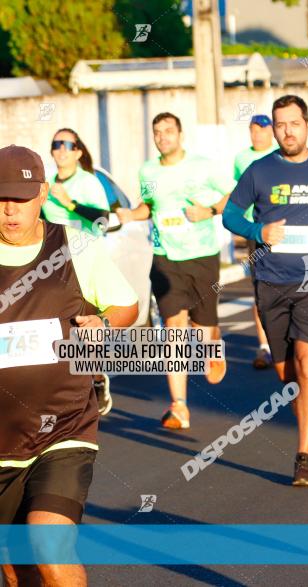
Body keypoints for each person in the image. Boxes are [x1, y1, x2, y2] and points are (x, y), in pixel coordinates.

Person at [0, 145, 138, 587]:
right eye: (1, 197)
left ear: (42, 194)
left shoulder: (74, 246)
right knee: (18, 568)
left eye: (20, 198)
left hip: (64, 425)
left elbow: (127, 306)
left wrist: (102, 321)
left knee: (49, 541)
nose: (9, 209)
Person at [224, 94, 308, 486]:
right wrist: (256, 231)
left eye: (293, 123)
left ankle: (304, 456)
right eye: (280, 125)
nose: (287, 131)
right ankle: (303, 412)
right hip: (270, 279)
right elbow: (231, 213)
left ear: (307, 125)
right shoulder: (259, 171)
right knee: (289, 374)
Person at [116, 112, 233, 429]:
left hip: (202, 255)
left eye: (169, 130)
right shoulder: (148, 170)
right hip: (165, 256)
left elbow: (232, 196)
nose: (163, 136)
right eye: (157, 132)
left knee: (202, 325)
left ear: (180, 134)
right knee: (173, 326)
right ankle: (179, 406)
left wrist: (208, 210)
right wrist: (129, 215)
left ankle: (212, 346)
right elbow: (148, 207)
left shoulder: (202, 165)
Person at [43, 128, 116, 415]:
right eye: (56, 144)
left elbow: (103, 220)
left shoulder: (88, 182)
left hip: (86, 262)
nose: (61, 149)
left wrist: (69, 203)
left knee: (86, 328)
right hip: (53, 267)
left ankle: (97, 379)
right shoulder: (46, 184)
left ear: (78, 151)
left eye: (67, 144)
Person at [233, 114, 276, 370]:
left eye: (263, 129)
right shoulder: (241, 158)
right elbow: (238, 195)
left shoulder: (281, 154)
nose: (258, 134)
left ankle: (288, 342)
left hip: (283, 231)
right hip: (255, 233)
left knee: (290, 287)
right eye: (254, 130)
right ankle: (264, 346)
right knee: (260, 290)